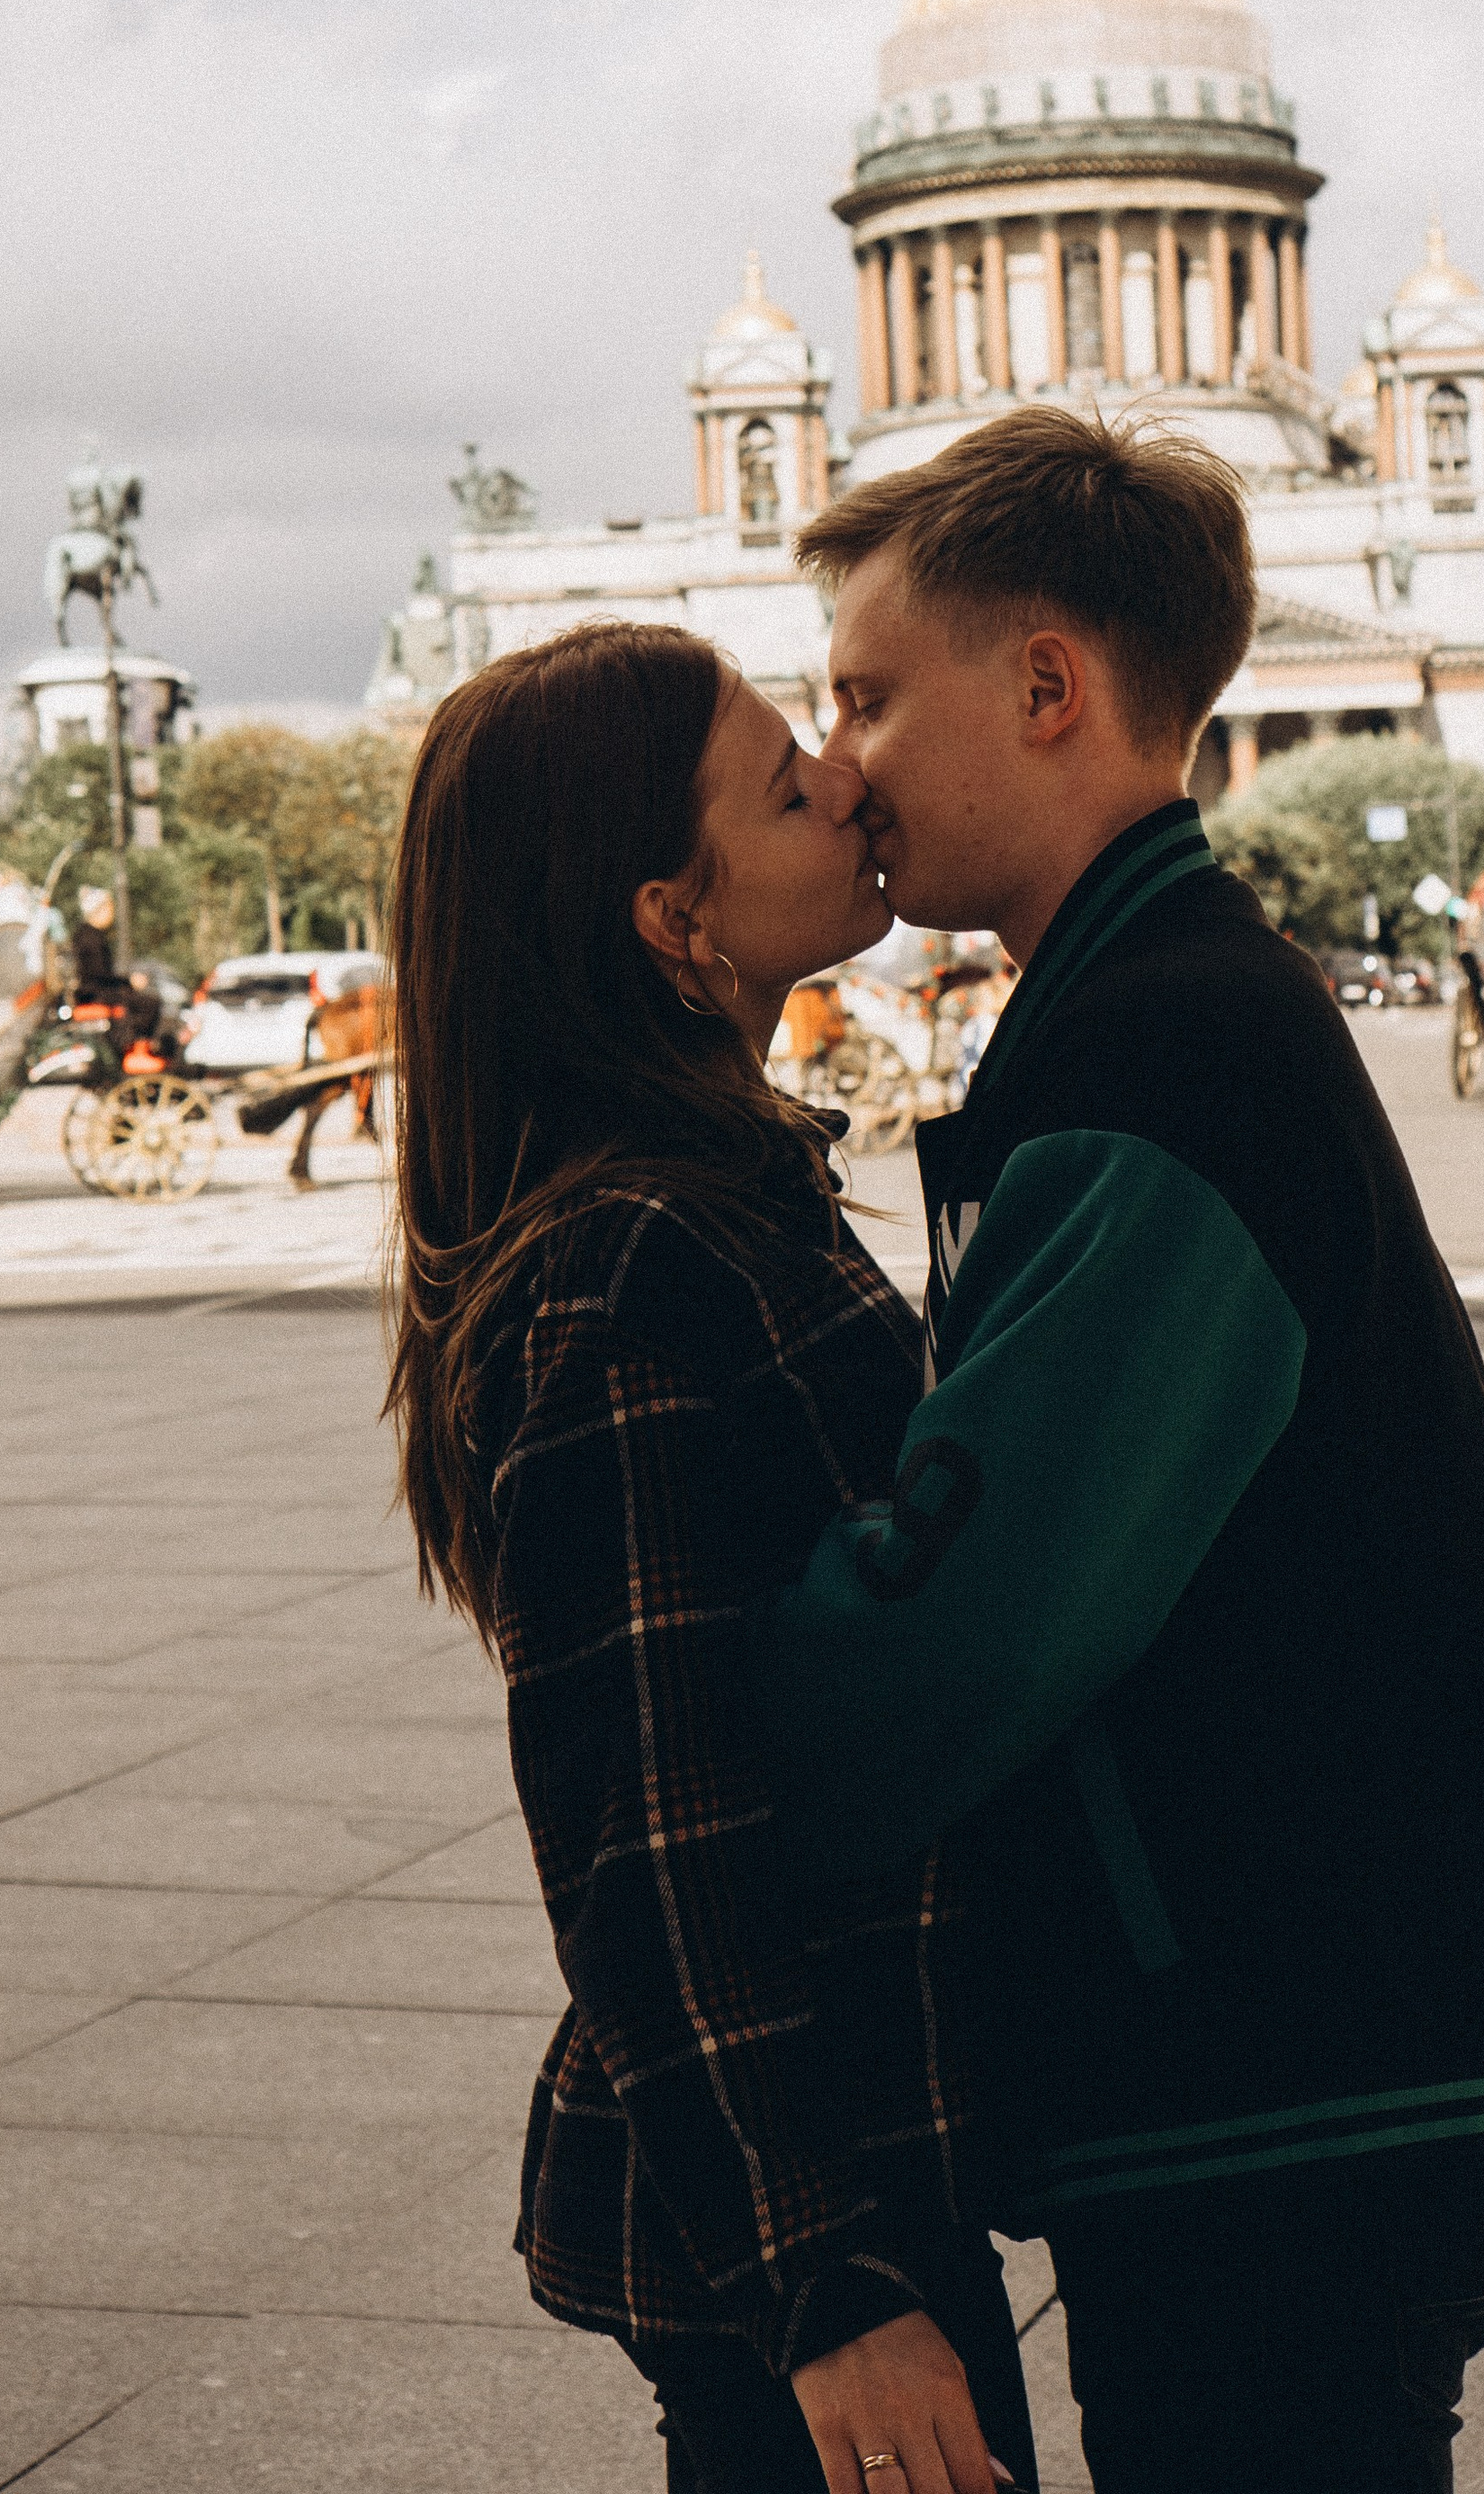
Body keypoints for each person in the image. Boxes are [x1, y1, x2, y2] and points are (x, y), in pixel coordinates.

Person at [753, 406, 1484, 2493]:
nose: (831, 758)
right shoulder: (1161, 999)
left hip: (1285, 2064)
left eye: (861, 693)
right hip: (1331, 2027)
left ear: (1045, 687)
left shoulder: (1153, 1052)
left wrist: (684, 1686)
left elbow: (945, 1644)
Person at [385, 623, 1039, 2494]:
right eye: (783, 781)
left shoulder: (700, 1200)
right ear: (676, 926)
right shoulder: (632, 1267)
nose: (846, 776)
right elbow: (638, 1825)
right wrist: (819, 2283)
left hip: (840, 2160)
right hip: (805, 2206)